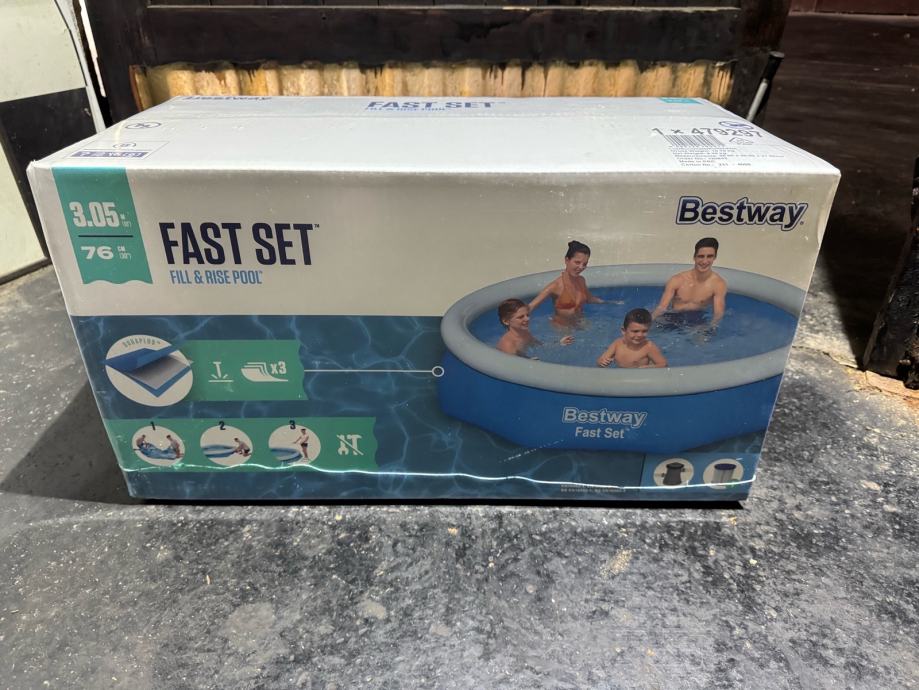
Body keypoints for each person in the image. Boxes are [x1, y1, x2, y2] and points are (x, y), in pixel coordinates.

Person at [652, 237, 727, 327]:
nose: (705, 261)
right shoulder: (677, 280)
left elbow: (718, 314)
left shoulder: (718, 284)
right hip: (673, 318)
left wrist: (710, 328)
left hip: (697, 321)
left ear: (715, 257)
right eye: (701, 256)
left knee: (701, 335)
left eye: (709, 256)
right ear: (694, 257)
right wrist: (650, 322)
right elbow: (662, 307)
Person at [528, 240, 604, 326]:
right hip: (562, 327)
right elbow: (531, 306)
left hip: (580, 322)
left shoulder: (581, 280)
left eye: (584, 264)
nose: (581, 267)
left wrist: (609, 303)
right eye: (577, 262)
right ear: (567, 260)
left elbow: (589, 299)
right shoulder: (556, 286)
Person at [496, 298, 573, 357]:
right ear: (506, 321)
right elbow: (513, 368)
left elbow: (540, 346)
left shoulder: (525, 333)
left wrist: (559, 343)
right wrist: (529, 361)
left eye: (527, 315)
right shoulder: (508, 345)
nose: (527, 319)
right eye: (521, 317)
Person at [597, 308, 667, 369]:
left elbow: (663, 364)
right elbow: (601, 360)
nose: (640, 335)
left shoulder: (648, 347)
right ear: (623, 331)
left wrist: (647, 368)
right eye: (635, 331)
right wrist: (601, 362)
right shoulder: (617, 344)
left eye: (644, 331)